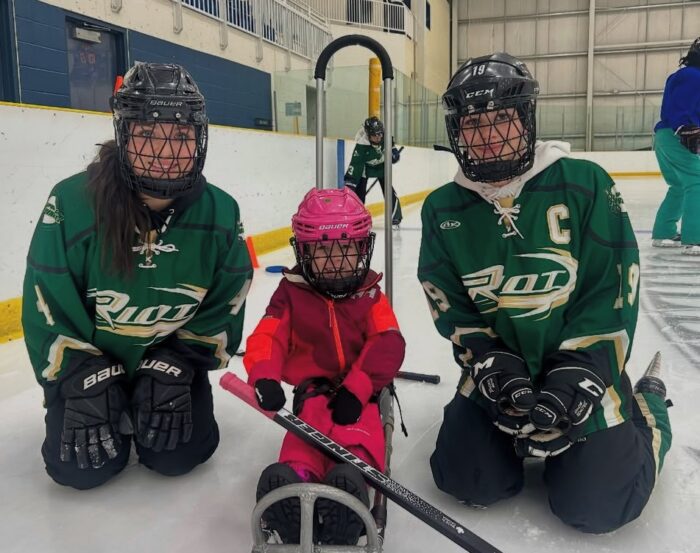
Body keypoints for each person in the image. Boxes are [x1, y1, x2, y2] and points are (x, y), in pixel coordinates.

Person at [418, 52, 672, 533]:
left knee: (597, 507)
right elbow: (449, 304)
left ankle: (649, 404)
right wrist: (490, 361)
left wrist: (578, 373)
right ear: (456, 131)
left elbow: (611, 292)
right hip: (502, 367)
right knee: (466, 479)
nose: (488, 134)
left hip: (582, 366)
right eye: (474, 122)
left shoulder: (585, 185)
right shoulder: (441, 209)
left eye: (501, 119)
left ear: (525, 119)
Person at [22, 62, 253, 490]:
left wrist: (179, 362)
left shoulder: (221, 211)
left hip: (169, 364)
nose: (166, 153)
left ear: (200, 138)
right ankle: (108, 397)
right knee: (78, 469)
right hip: (90, 364)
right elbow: (45, 302)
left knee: (180, 455)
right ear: (123, 135)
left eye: (181, 136)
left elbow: (227, 303)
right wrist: (79, 376)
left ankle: (148, 392)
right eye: (148, 134)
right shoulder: (72, 201)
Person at [244, 188, 405, 545]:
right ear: (303, 252)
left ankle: (351, 487)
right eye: (323, 250)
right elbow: (268, 337)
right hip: (313, 387)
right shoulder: (290, 293)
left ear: (363, 248)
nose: (335, 261)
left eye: (345, 249)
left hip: (360, 393)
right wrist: (264, 375)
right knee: (305, 431)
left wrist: (361, 386)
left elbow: (388, 342)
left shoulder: (370, 294)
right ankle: (295, 480)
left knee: (359, 433)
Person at [651, 37, 700, 255]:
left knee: (679, 185)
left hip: (666, 135)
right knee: (696, 182)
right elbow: (681, 105)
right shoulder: (692, 75)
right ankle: (695, 238)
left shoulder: (687, 74)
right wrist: (686, 128)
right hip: (675, 134)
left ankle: (663, 232)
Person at [344, 116, 403, 226]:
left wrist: (394, 153)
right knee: (359, 192)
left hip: (382, 165)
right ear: (367, 134)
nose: (378, 137)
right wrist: (351, 181)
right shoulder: (361, 145)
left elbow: (391, 145)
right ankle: (357, 217)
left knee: (388, 190)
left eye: (380, 134)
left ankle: (396, 216)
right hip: (365, 168)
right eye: (374, 135)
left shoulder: (384, 135)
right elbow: (355, 164)